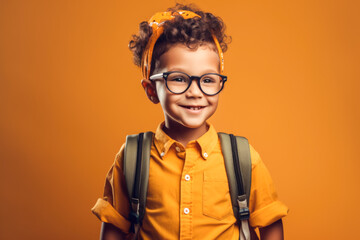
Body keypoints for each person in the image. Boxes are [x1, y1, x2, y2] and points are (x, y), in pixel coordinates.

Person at [92, 3, 288, 240]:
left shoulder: (241, 157)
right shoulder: (133, 158)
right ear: (151, 89)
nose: (195, 92)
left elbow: (270, 222)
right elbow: (114, 228)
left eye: (207, 80)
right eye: (178, 78)